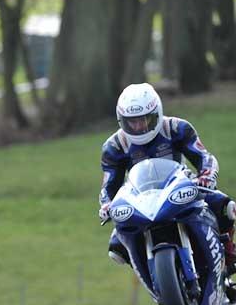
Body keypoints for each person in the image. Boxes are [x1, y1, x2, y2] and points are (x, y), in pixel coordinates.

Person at [99, 83, 236, 269]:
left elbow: (204, 157)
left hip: (179, 190)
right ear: (121, 120)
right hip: (140, 201)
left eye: (145, 119)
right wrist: (107, 204)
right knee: (116, 247)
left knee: (225, 206)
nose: (139, 126)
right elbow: (109, 185)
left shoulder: (177, 128)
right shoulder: (114, 146)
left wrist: (206, 176)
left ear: (157, 113)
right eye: (132, 121)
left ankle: (228, 253)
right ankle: (151, 272)